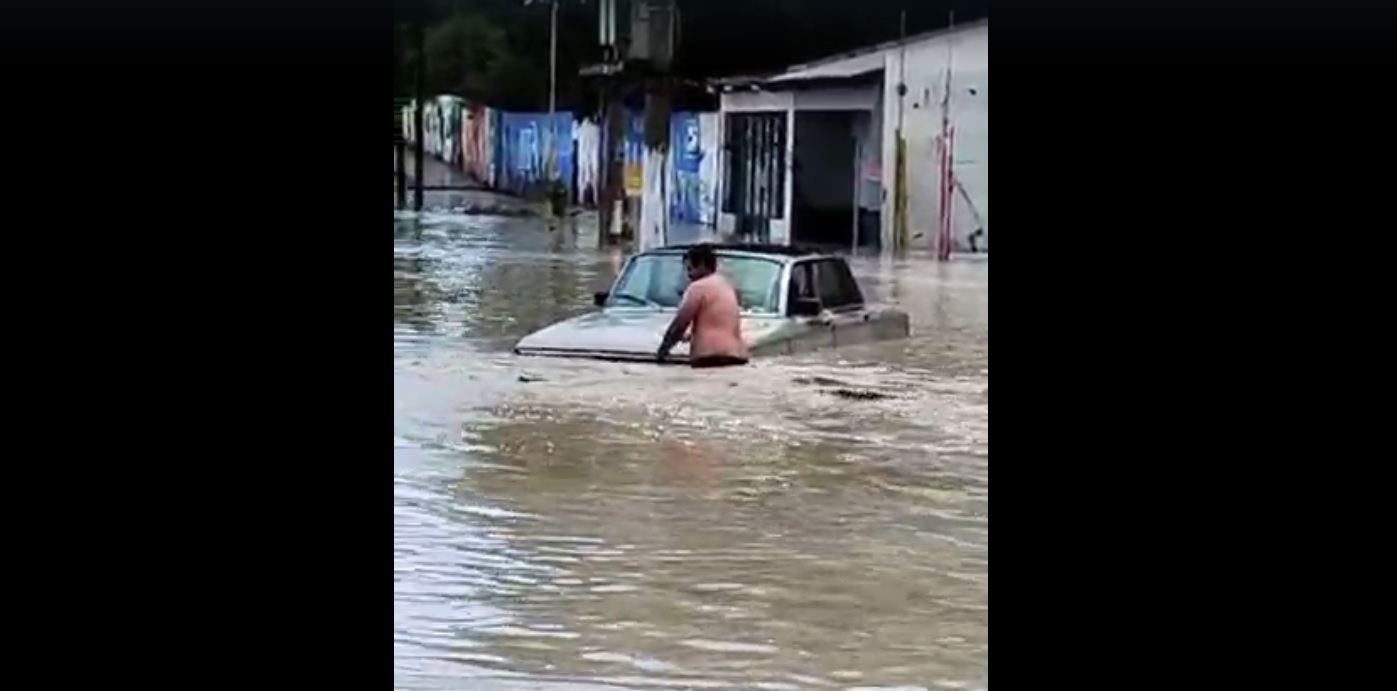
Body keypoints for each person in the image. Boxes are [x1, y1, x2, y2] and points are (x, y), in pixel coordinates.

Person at [656, 244, 750, 368]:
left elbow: (679, 324)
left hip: (710, 358)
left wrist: (662, 351)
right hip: (737, 356)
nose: (688, 275)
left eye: (690, 269)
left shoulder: (697, 287)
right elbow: (718, 322)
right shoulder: (726, 285)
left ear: (701, 264)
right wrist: (690, 336)